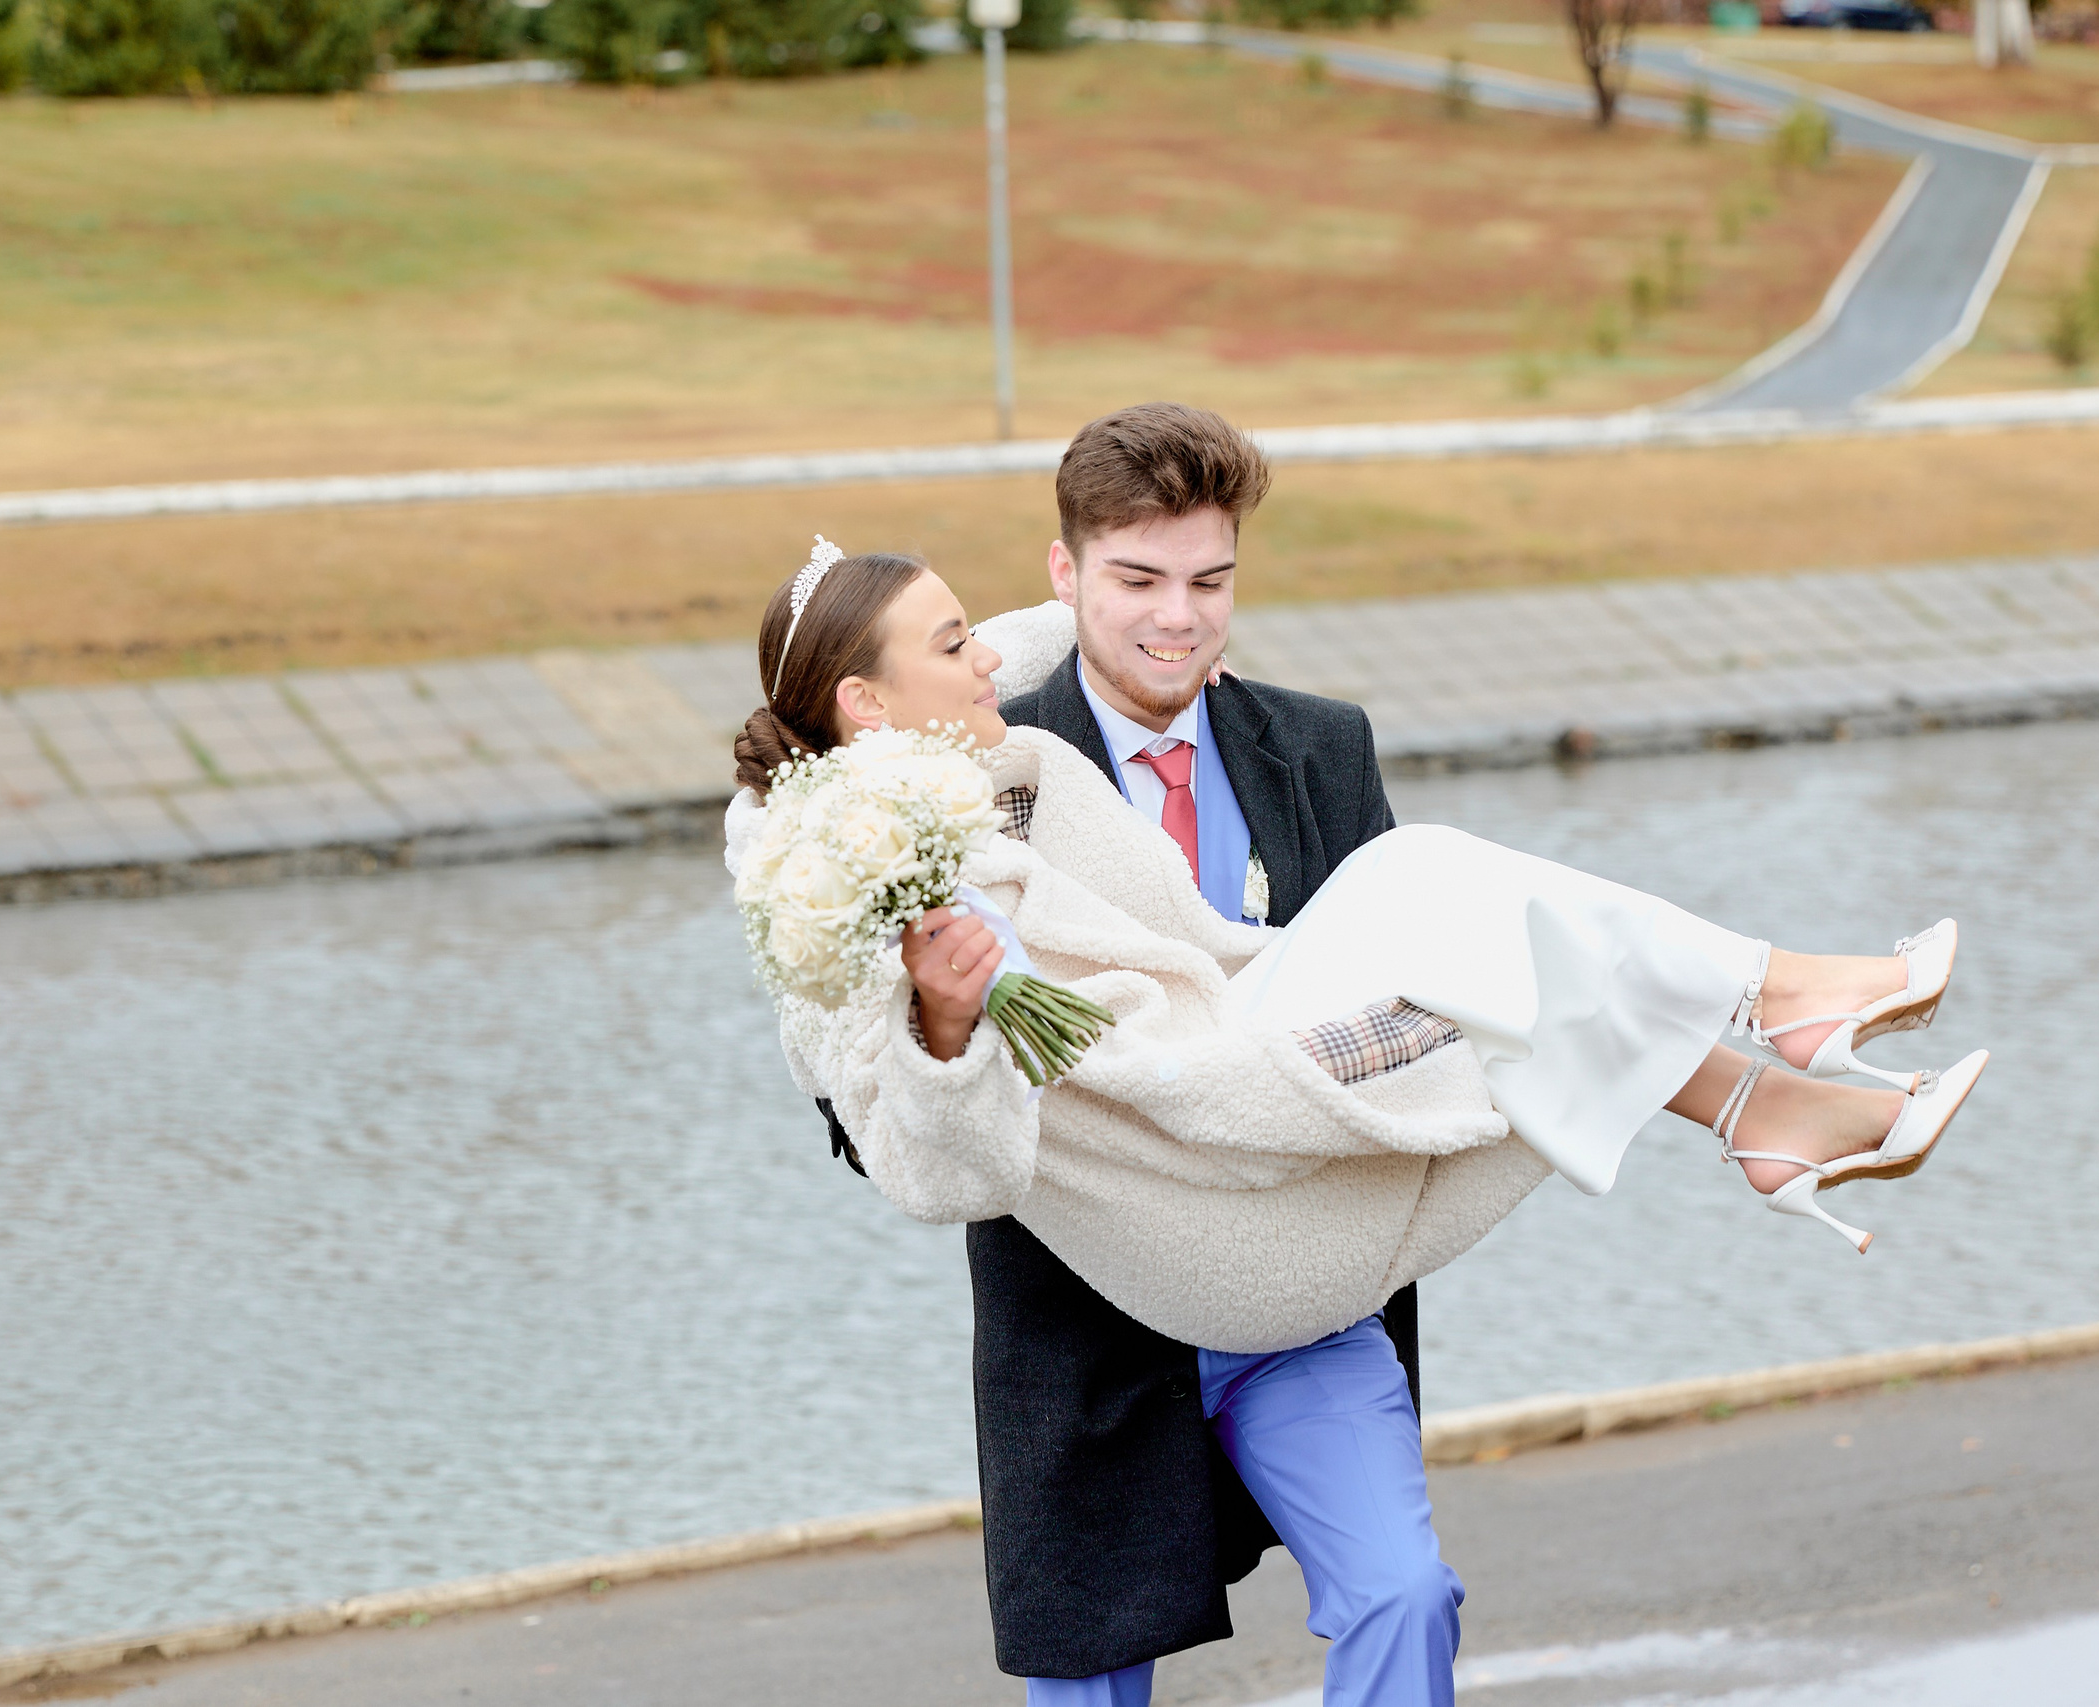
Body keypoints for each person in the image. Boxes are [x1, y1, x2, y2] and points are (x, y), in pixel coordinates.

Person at [727, 405, 1985, 1707]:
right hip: (1092, 1319)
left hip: (1306, 1243)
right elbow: (901, 1134)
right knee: (1091, 1687)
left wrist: (1418, 1027)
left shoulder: (1306, 744)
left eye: (1211, 581)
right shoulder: (894, 834)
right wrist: (940, 1016)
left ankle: (1772, 1060)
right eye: (1138, 580)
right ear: (1064, 574)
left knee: (1403, 1597)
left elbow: (943, 650)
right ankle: (1773, 1050)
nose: (1178, 618)